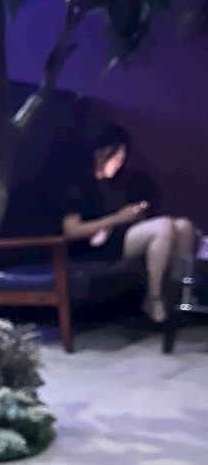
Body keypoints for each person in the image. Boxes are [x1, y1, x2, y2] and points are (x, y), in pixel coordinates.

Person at [58, 124, 195, 324]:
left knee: (184, 226)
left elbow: (122, 217)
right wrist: (119, 218)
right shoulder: (78, 184)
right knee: (164, 225)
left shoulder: (114, 184)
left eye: (122, 160)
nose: (119, 164)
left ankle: (176, 296)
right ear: (100, 152)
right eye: (116, 158)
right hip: (94, 245)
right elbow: (71, 230)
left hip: (120, 234)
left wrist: (134, 214)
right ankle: (153, 299)